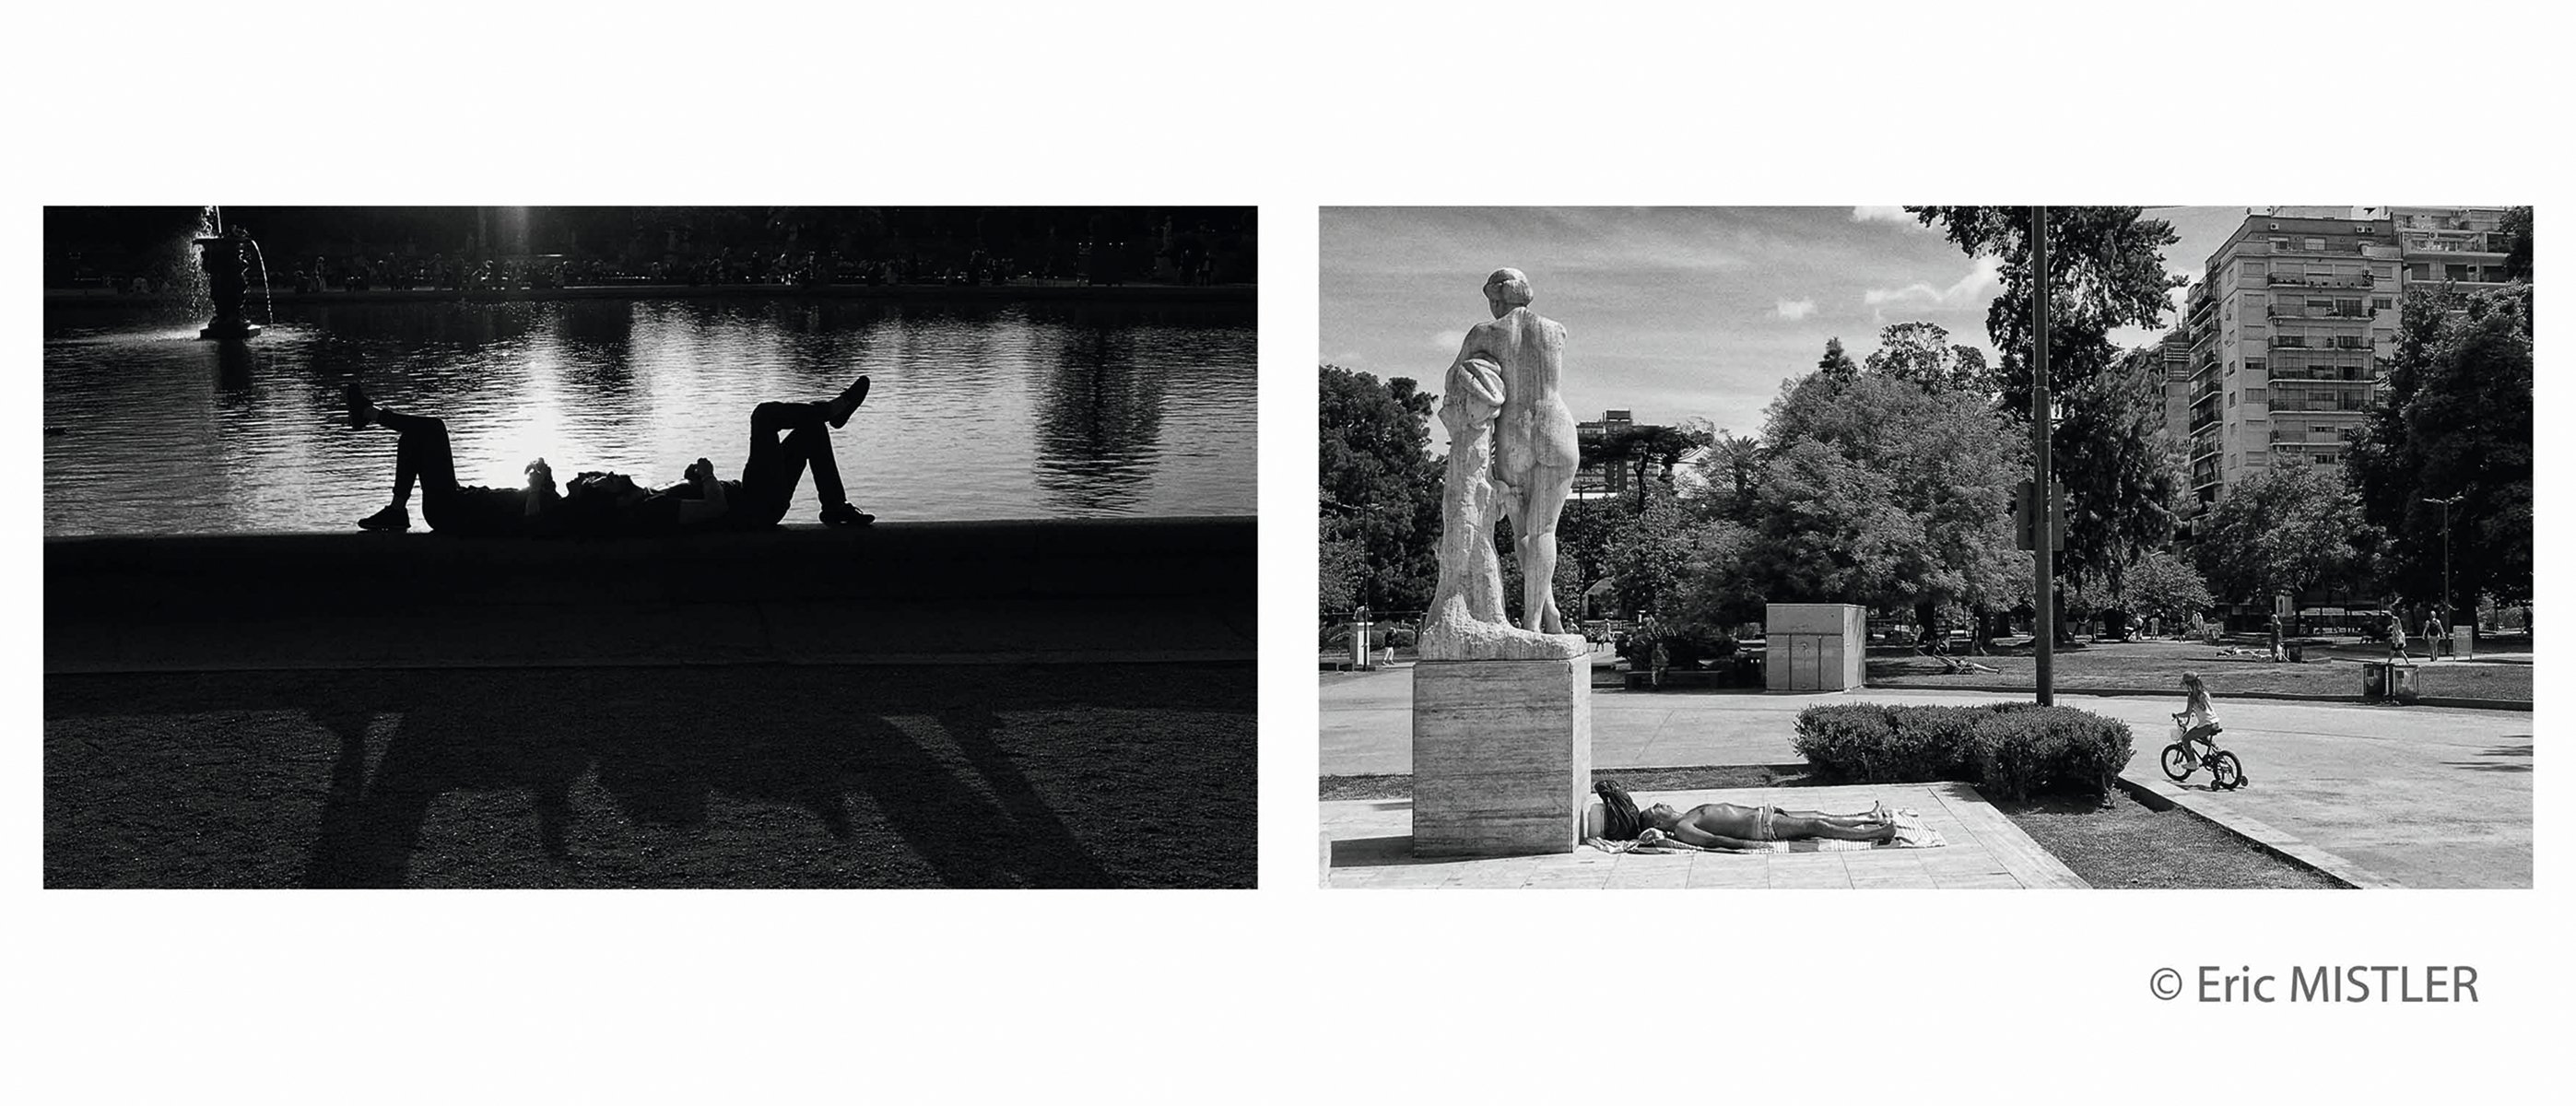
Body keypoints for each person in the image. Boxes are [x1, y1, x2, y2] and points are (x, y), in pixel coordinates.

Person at [345, 383, 561, 536]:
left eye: (585, 481)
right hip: (457, 501)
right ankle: (397, 510)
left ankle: (367, 412)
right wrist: (543, 471)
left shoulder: (559, 513)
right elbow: (544, 499)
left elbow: (533, 527)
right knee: (414, 436)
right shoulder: (555, 502)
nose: (580, 477)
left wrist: (534, 489)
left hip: (451, 513)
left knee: (434, 428)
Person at [1594, 781, 1894, 850]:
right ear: (1657, 822)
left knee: (1818, 814)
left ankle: (1869, 816)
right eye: (1657, 808)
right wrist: (1749, 846)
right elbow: (1715, 840)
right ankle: (1876, 833)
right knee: (1817, 825)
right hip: (1762, 829)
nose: (1662, 804)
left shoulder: (1687, 815)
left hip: (1764, 815)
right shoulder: (1684, 827)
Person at [2173, 672, 2221, 764]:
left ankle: (2192, 762)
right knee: (2202, 737)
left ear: (2188, 684)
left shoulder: (2192, 696)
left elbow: (2187, 713)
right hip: (2215, 723)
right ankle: (2217, 750)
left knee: (2185, 739)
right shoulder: (2205, 692)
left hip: (2205, 725)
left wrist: (2177, 715)